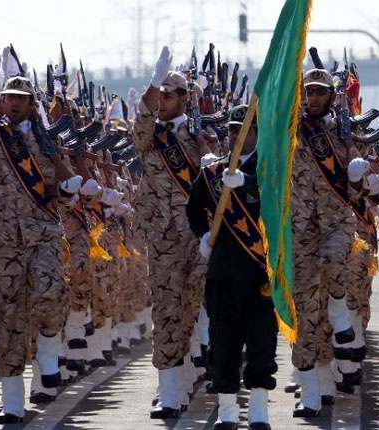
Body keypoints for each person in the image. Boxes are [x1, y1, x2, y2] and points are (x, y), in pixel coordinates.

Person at [0, 35, 82, 424]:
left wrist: (66, 176)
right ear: (3, 101)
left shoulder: (47, 141)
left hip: (43, 236)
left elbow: (63, 191)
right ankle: (13, 400)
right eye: (9, 97)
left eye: (22, 97)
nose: (14, 102)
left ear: (33, 104)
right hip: (1, 241)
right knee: (8, 318)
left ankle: (49, 351)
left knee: (51, 294)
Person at [186, 105, 277, 430]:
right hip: (223, 274)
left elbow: (279, 202)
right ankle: (227, 412)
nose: (237, 136)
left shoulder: (271, 172)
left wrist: (248, 184)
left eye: (244, 131)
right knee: (222, 344)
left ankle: (258, 412)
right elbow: (193, 209)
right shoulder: (213, 175)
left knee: (261, 345)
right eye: (232, 131)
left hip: (258, 275)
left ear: (257, 134)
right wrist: (203, 236)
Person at [132, 46, 209, 419]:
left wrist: (208, 154)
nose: (160, 101)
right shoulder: (150, 136)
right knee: (166, 312)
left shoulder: (203, 136)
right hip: (162, 238)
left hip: (199, 237)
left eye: (168, 94)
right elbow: (142, 119)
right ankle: (169, 392)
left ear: (184, 99)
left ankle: (193, 371)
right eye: (158, 95)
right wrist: (152, 80)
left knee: (192, 308)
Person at [289, 68, 359, 417]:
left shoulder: (342, 132)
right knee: (305, 316)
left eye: (320, 92)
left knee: (335, 260)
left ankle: (339, 306)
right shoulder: (290, 131)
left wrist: (359, 172)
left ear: (331, 97)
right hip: (300, 230)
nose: (313, 98)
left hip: (336, 222)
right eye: (309, 92)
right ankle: (311, 393)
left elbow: (361, 187)